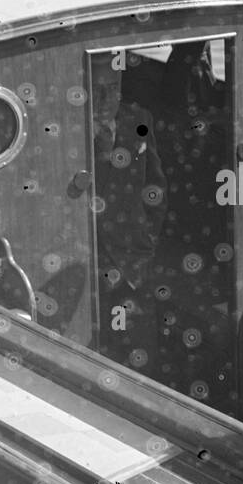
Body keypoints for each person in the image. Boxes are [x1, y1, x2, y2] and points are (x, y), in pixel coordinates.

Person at [91, 70, 167, 368]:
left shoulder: (138, 119)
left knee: (138, 351)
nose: (105, 98)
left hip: (133, 257)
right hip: (90, 257)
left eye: (112, 88)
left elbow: (155, 186)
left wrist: (148, 239)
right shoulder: (69, 123)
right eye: (97, 89)